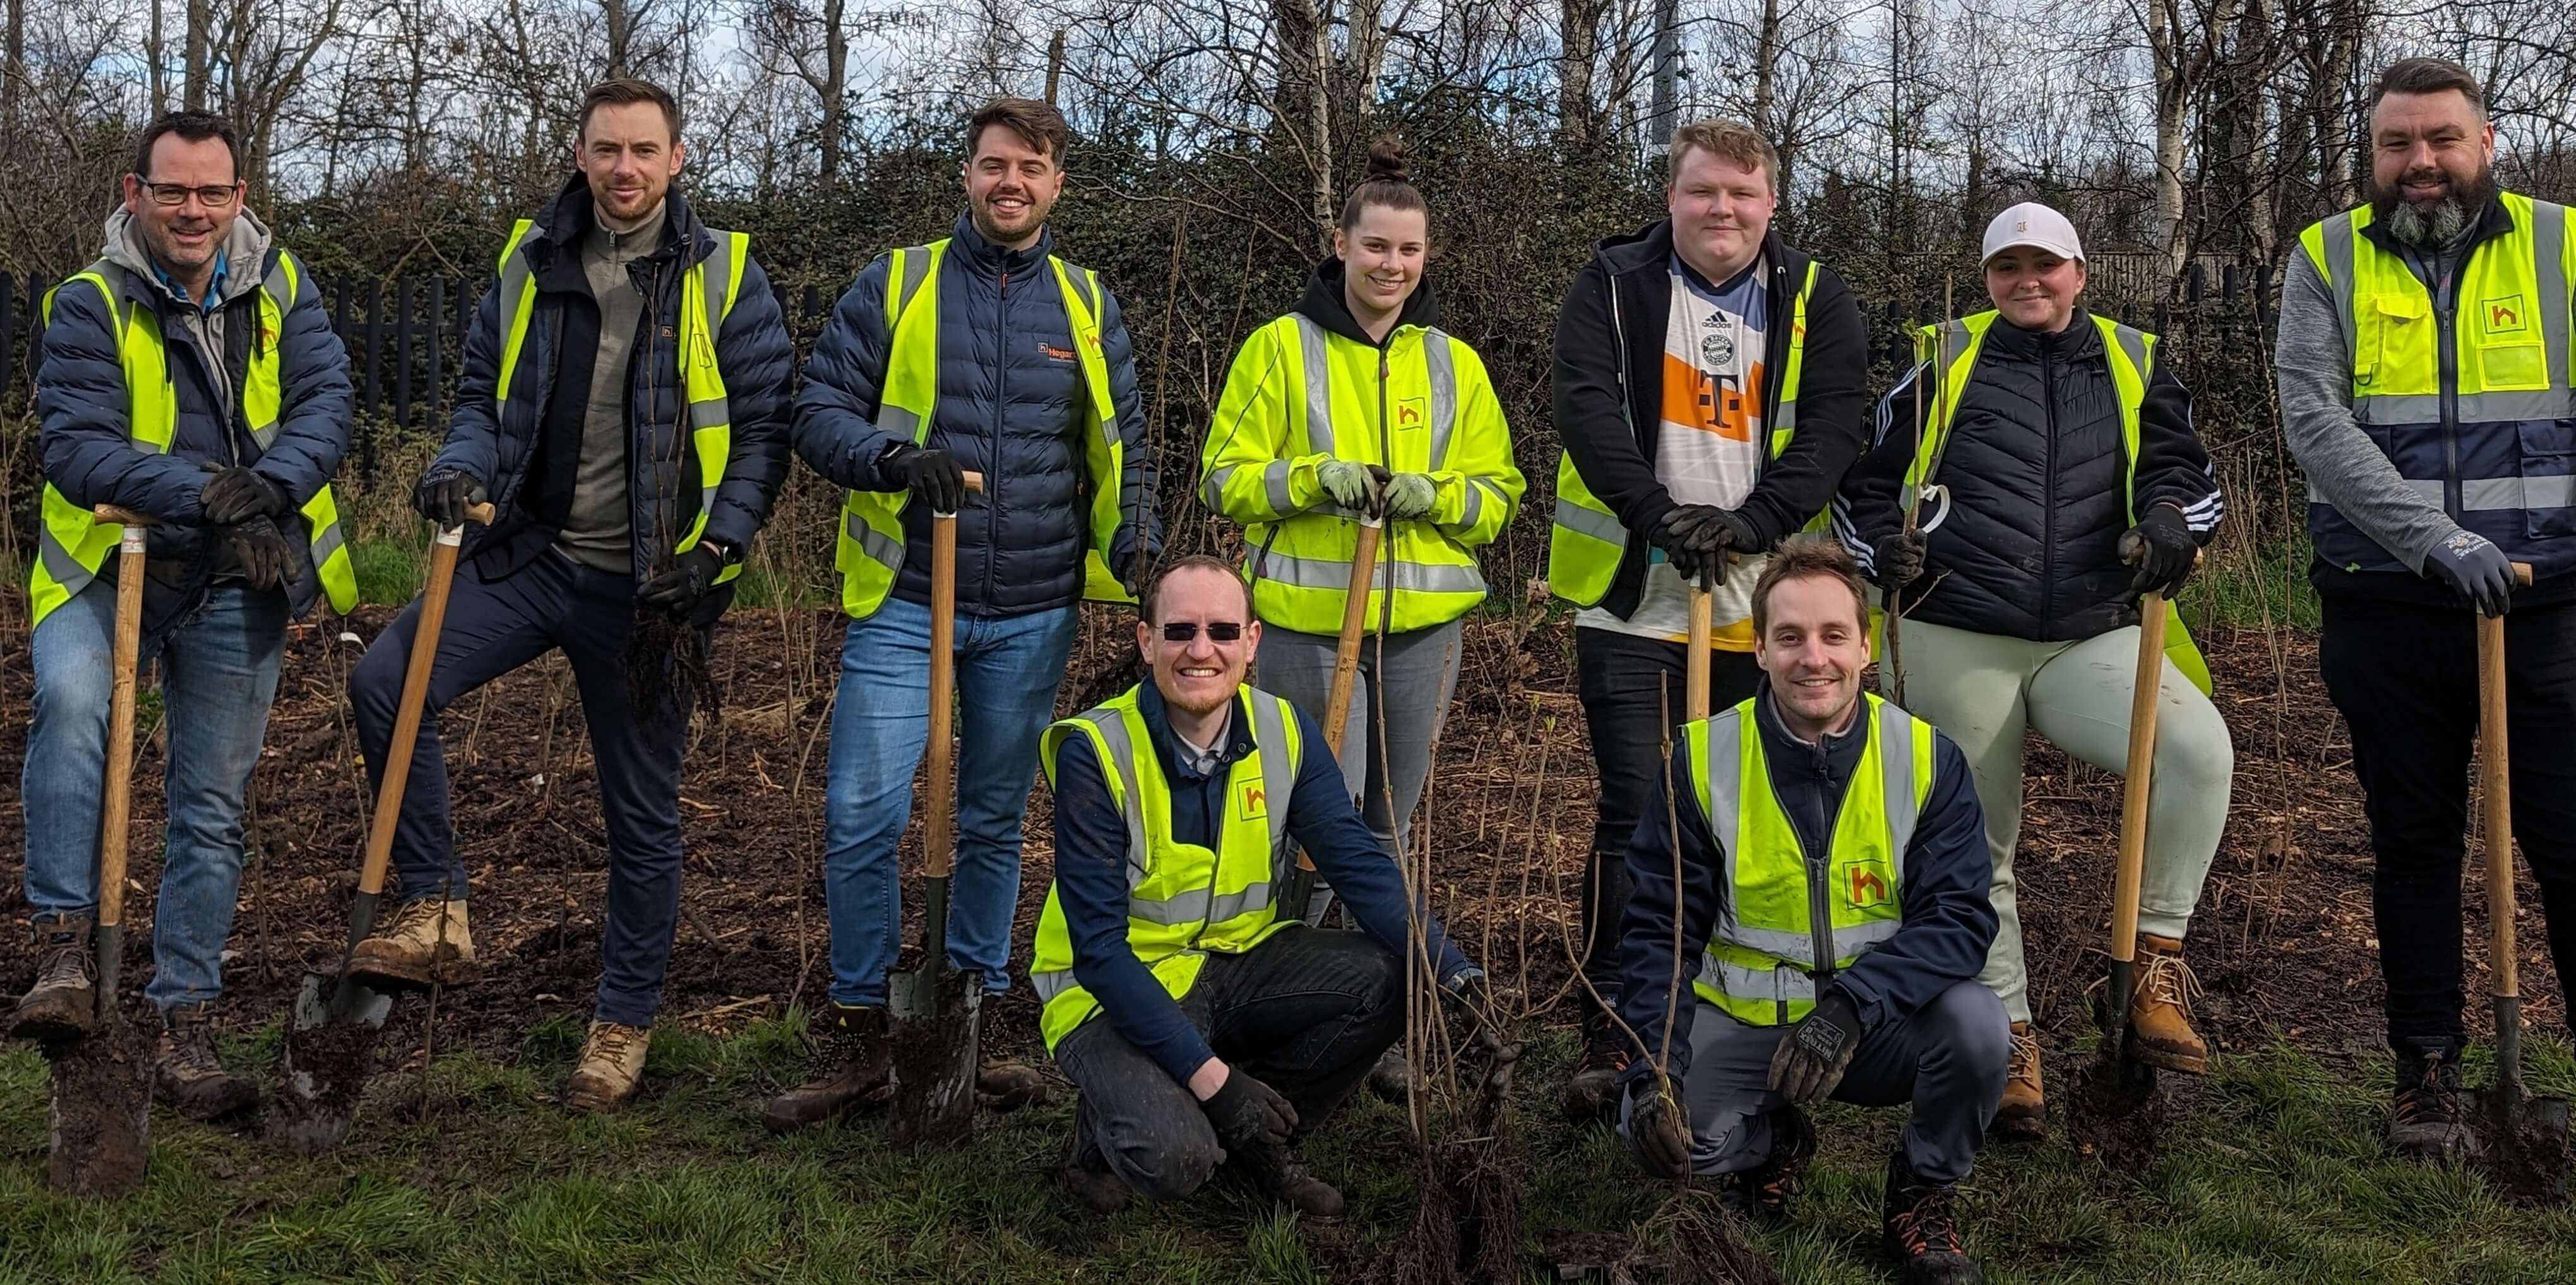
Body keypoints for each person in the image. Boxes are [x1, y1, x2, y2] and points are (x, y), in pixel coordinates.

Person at [339, 78, 792, 1111]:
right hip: (530, 556)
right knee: (386, 685)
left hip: (651, 590)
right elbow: (475, 400)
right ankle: (438, 903)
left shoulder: (727, 276)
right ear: (581, 155)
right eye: (606, 150)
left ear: (678, 160)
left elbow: (765, 431)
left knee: (642, 815)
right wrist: (457, 468)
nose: (624, 169)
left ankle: (621, 1025)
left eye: (644, 151)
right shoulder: (528, 258)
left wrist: (718, 548)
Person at [770, 97, 1161, 1130]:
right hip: (907, 597)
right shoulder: (897, 284)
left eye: (1030, 168)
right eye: (994, 166)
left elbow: (1123, 455)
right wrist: (895, 461)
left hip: (1032, 613)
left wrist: (1141, 557)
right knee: (863, 811)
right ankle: (863, 1028)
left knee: (991, 821)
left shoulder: (1086, 307)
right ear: (967, 175)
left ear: (1057, 184)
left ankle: (968, 1020)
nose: (1011, 184)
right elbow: (816, 415)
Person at [1834, 201, 2232, 1139]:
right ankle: (2009, 1038)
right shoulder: (1943, 358)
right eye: (2009, 267)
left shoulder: (2133, 359)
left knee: (2198, 755)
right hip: (1956, 627)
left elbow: (2186, 473)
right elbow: (1864, 484)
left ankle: (2152, 968)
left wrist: (2171, 521)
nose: (2029, 282)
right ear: (1988, 279)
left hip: (2091, 631)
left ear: (2079, 273)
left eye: (2045, 266)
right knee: (1979, 843)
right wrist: (1874, 552)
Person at [10, 109, 355, 1120]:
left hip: (236, 574)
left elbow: (325, 407)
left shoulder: (284, 286)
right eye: (173, 191)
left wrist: (264, 493)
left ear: (240, 196)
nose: (193, 209)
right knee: (74, 703)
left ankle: (181, 1025)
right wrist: (210, 490)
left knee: (210, 810)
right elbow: (76, 446)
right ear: (136, 195)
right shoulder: (88, 302)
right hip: (107, 566)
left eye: (213, 191)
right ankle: (65, 954)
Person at [2276, 56, 2576, 1163]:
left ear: (2486, 141)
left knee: (2568, 837)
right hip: (2388, 603)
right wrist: (2440, 541)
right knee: (2411, 843)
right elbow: (2314, 421)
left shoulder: (2564, 244)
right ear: (2376, 152)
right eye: (2399, 143)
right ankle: (2428, 1072)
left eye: (2443, 139)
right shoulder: (2326, 257)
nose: (2422, 164)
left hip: (2549, 607)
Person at [1546, 117, 1871, 1121]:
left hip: (1762, 607)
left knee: (1745, 817)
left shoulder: (1815, 298)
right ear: (1672, 197)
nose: (1720, 210)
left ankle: (1727, 1008)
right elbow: (1588, 409)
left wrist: (1751, 525)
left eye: (1741, 193)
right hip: (1635, 597)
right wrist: (1660, 517)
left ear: (1771, 203)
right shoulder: (1610, 285)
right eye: (1701, 192)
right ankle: (1619, 1019)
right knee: (1635, 808)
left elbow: (1834, 425)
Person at [1030, 555, 1491, 1217]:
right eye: (1180, 630)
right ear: (1146, 641)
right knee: (1174, 1159)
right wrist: (1219, 1086)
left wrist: (1452, 971)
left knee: (1396, 975)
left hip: (1235, 961)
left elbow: (1359, 864)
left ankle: (1258, 1144)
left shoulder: (1283, 729)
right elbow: (1099, 951)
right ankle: (1106, 1138)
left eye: (1222, 631)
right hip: (1112, 989)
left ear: (1251, 643)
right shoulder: (1095, 750)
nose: (1200, 650)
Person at [1614, 536, 2002, 1285]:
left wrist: (1852, 1007)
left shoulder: (1926, 758)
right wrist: (1651, 1064)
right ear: (1758, 649)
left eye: (1832, 636)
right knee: (1654, 1134)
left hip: (1872, 1025)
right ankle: (1771, 1140)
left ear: (1865, 648)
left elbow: (1958, 918)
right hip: (1746, 1020)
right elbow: (1661, 927)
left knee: (1980, 1027)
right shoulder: (1699, 760)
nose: (1812, 658)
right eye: (1789, 637)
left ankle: (1921, 1194)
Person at [1198, 136, 1523, 879]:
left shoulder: (1455, 363)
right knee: (1313, 817)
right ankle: (1300, 971)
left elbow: (1498, 495)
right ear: (1341, 243)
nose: (1391, 265)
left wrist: (1434, 495)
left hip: (1423, 633)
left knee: (1389, 823)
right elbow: (1222, 476)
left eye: (1408, 250)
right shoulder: (1279, 348)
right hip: (1306, 627)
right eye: (1375, 245)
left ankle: (1378, 978)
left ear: (1427, 255)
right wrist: (1313, 479)